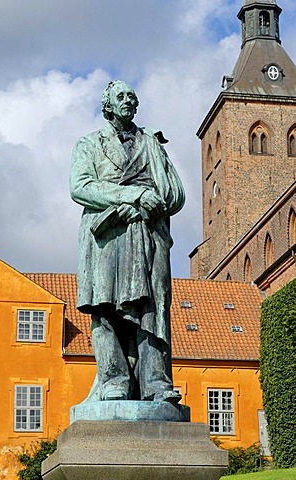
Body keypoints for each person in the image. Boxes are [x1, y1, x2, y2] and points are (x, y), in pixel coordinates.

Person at [70, 80, 185, 403]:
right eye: (121, 96)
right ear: (107, 105)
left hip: (148, 233)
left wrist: (156, 200)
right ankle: (114, 379)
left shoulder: (152, 143)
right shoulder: (89, 144)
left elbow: (176, 193)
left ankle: (156, 382)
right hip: (107, 236)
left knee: (153, 308)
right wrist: (132, 194)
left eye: (132, 96)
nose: (128, 101)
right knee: (104, 308)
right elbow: (80, 187)